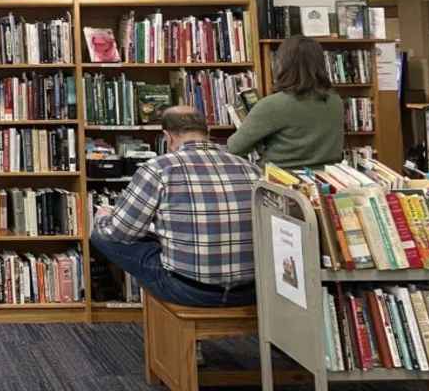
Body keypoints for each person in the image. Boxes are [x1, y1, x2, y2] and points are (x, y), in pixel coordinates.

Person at [91, 106, 260, 307]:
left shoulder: (159, 168)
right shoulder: (251, 169)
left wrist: (102, 217)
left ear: (167, 137)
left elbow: (118, 233)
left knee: (101, 236)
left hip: (190, 290)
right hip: (250, 290)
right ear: (208, 132)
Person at [226, 35, 344, 168]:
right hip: (327, 180)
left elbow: (234, 148)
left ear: (282, 65)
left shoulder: (272, 105)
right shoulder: (335, 100)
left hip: (281, 182)